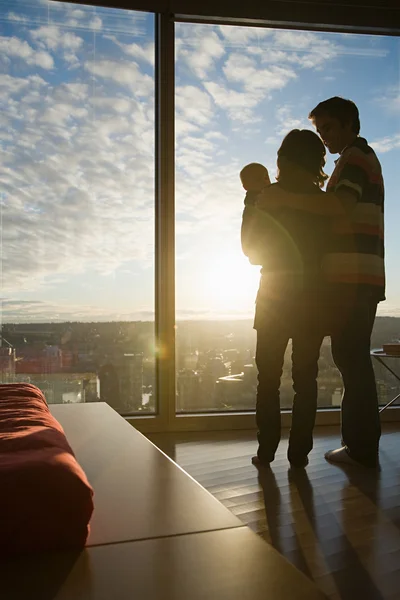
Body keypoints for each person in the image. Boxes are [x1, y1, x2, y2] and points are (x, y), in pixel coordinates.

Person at [258, 97, 385, 468]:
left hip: (355, 276)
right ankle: (360, 444)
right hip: (358, 275)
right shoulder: (356, 159)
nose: (324, 137)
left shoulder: (356, 158)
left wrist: (284, 199)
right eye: (319, 130)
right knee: (350, 358)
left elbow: (339, 207)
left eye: (328, 127)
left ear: (349, 125)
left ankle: (360, 446)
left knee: (351, 359)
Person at [241, 129, 330, 468]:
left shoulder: (267, 197)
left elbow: (250, 250)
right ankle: (299, 454)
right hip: (313, 296)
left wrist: (251, 200)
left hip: (274, 294)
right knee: (306, 378)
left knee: (268, 378)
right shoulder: (324, 202)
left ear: (282, 159)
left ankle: (266, 452)